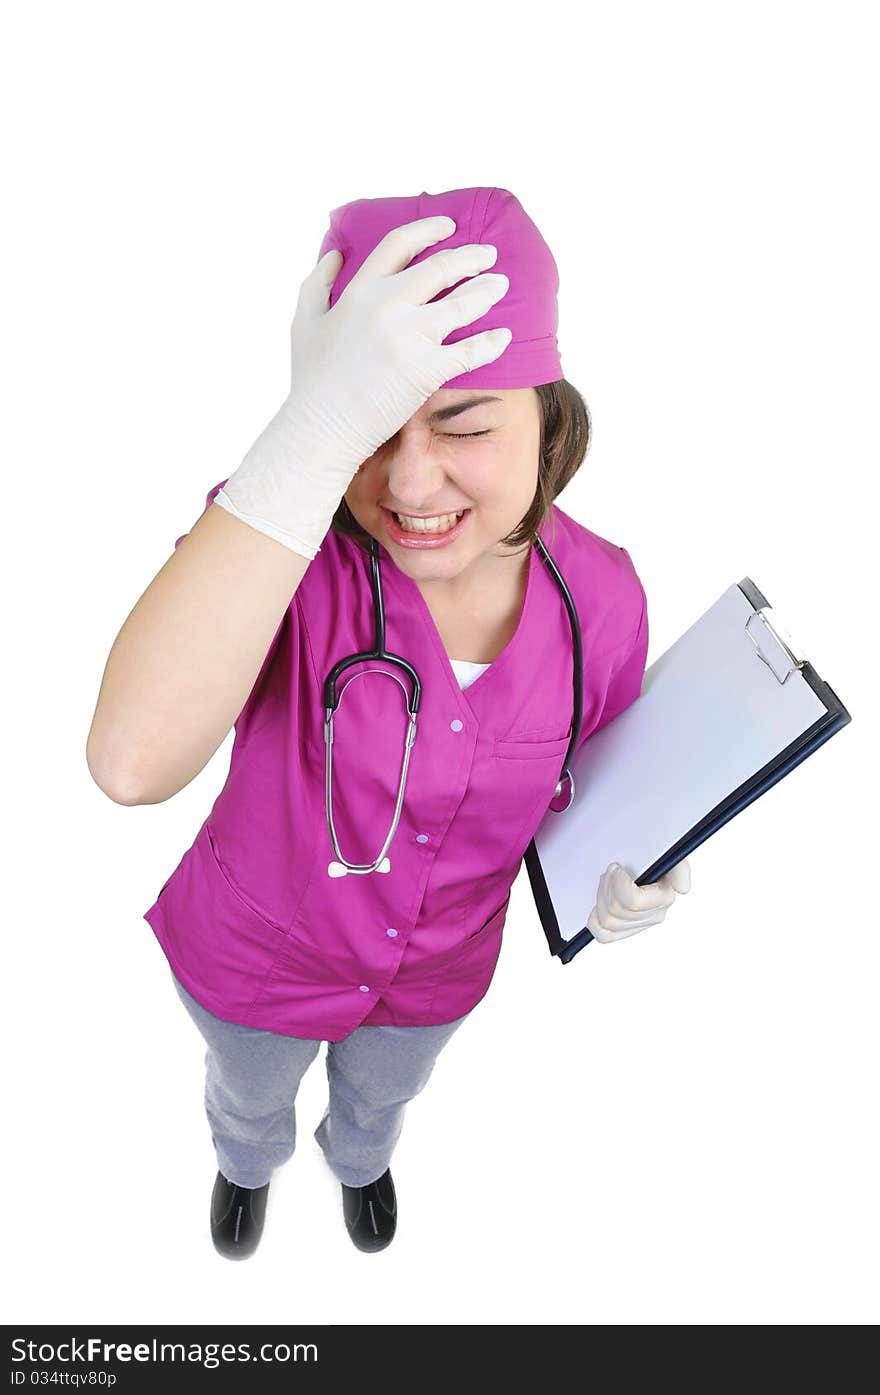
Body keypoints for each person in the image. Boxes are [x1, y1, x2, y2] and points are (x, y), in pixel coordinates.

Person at [87, 187, 691, 1261]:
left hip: (436, 976)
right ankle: (246, 1163)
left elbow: (586, 787)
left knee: (383, 1097)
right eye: (369, 428)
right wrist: (311, 429)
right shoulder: (278, 539)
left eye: (462, 422)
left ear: (549, 419)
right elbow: (130, 763)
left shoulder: (601, 597)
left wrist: (632, 861)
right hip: (254, 964)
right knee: (248, 1092)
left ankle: (360, 1161)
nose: (411, 484)